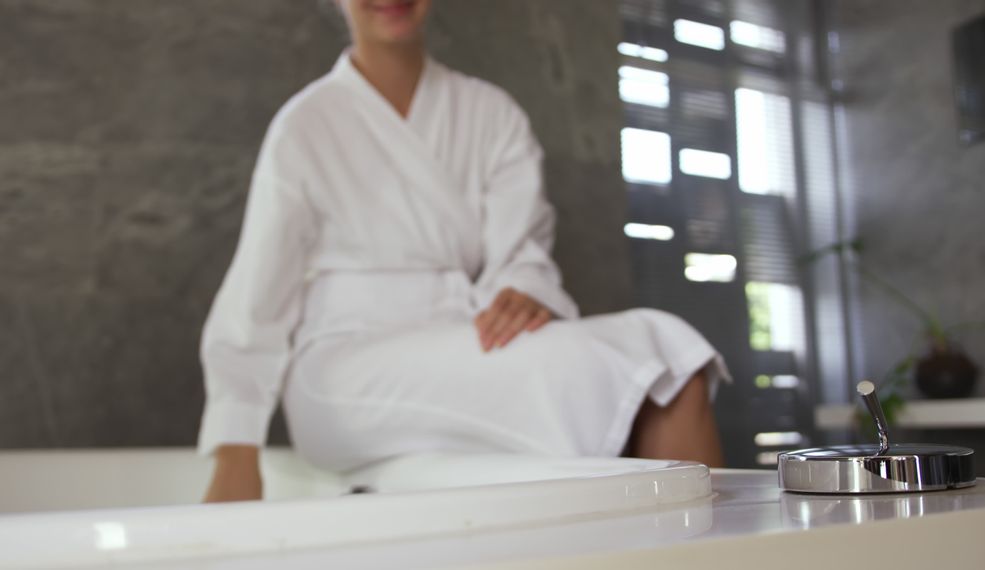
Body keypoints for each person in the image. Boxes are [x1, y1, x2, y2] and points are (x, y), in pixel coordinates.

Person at [201, 0, 730, 503]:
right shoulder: (305, 125)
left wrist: (521, 290)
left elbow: (521, 251)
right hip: (342, 365)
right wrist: (235, 447)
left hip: (466, 333)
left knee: (669, 357)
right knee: (650, 358)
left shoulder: (490, 112)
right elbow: (257, 295)